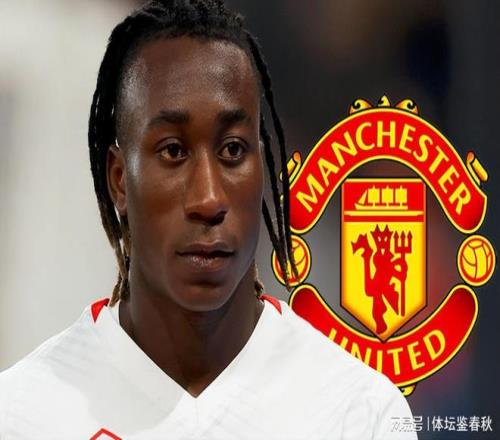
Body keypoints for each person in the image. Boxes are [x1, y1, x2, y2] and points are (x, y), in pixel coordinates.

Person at [0, 1, 417, 438]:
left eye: (233, 150)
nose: (208, 198)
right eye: (173, 151)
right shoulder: (20, 414)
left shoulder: (359, 411)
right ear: (119, 180)